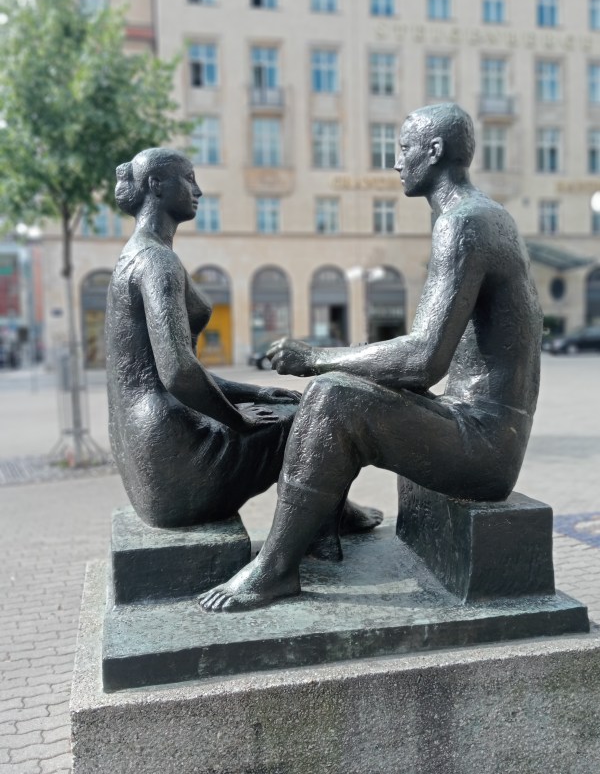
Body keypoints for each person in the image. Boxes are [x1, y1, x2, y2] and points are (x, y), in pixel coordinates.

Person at [200, 103, 543, 613]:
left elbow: (423, 359)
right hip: (479, 424)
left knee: (334, 397)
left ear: (434, 151)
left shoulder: (464, 223)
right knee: (337, 391)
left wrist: (316, 357)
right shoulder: (477, 216)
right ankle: (325, 525)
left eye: (404, 149)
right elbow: (421, 358)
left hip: (487, 447)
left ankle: (276, 568)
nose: (396, 161)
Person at [106, 148, 380, 535]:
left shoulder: (134, 256)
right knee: (316, 417)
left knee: (288, 405)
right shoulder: (157, 262)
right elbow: (178, 372)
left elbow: (173, 370)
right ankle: (321, 525)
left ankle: (326, 515)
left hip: (150, 469)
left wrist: (258, 393)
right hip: (177, 470)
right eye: (189, 179)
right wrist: (239, 420)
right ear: (156, 185)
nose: (198, 190)